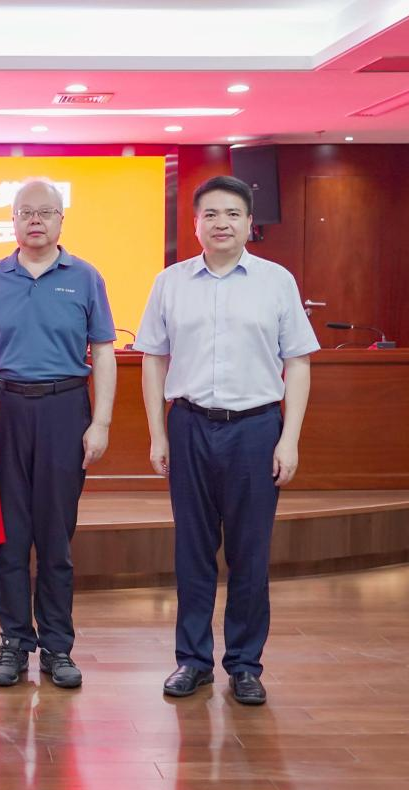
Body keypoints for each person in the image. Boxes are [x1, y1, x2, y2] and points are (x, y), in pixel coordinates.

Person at [134, 174, 319, 706]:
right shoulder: (170, 282)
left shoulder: (276, 281)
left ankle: (244, 664)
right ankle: (192, 661)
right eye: (210, 214)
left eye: (233, 214)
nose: (221, 223)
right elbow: (153, 359)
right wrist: (157, 433)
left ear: (249, 223)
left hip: (257, 429)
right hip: (189, 424)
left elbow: (298, 363)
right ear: (195, 224)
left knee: (249, 553)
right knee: (192, 551)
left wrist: (290, 439)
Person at [0, 178, 117, 689]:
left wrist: (101, 422)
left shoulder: (86, 278)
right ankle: (13, 643)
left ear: (61, 220)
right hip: (4, 412)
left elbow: (104, 352)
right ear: (13, 220)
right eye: (26, 212)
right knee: (8, 539)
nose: (35, 221)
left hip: (65, 409)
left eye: (45, 212)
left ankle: (57, 647)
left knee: (55, 539)